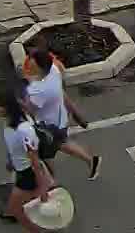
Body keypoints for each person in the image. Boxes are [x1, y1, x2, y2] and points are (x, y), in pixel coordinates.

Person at [23, 46, 101, 180]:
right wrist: (75, 113)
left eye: (32, 61)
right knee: (61, 143)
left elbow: (30, 109)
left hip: (47, 127)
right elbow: (61, 93)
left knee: (45, 155)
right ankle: (91, 160)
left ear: (40, 67)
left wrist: (20, 101)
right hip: (60, 119)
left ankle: (51, 182)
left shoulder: (39, 90)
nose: (28, 62)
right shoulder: (54, 70)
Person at [0, 85, 53, 232]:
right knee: (29, 206)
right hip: (21, 171)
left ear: (7, 108)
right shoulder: (9, 122)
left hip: (28, 175)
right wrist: (10, 160)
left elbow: (34, 162)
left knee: (15, 209)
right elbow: (14, 146)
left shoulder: (24, 130)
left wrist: (43, 189)